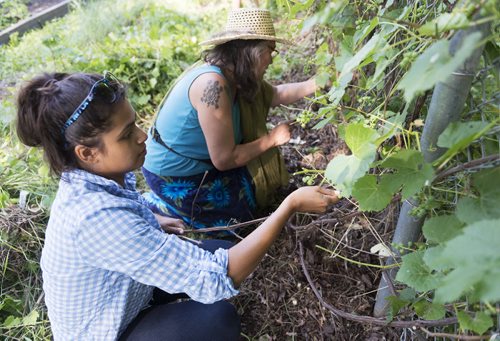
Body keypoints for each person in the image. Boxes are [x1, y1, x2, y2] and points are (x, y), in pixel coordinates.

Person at [15, 71, 339, 340]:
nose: (143, 136)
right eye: (128, 134)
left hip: (129, 295)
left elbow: (125, 216)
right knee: (214, 320)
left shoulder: (99, 179)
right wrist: (289, 206)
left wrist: (152, 218)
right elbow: (217, 278)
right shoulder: (93, 216)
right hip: (109, 330)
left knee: (215, 246)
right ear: (88, 153)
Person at [142, 8, 321, 229]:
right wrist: (272, 139)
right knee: (239, 222)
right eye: (270, 52)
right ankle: (157, 206)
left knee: (254, 196)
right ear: (252, 52)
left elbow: (275, 95)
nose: (271, 61)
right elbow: (225, 159)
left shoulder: (236, 76)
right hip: (173, 174)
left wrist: (318, 83)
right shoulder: (213, 85)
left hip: (207, 163)